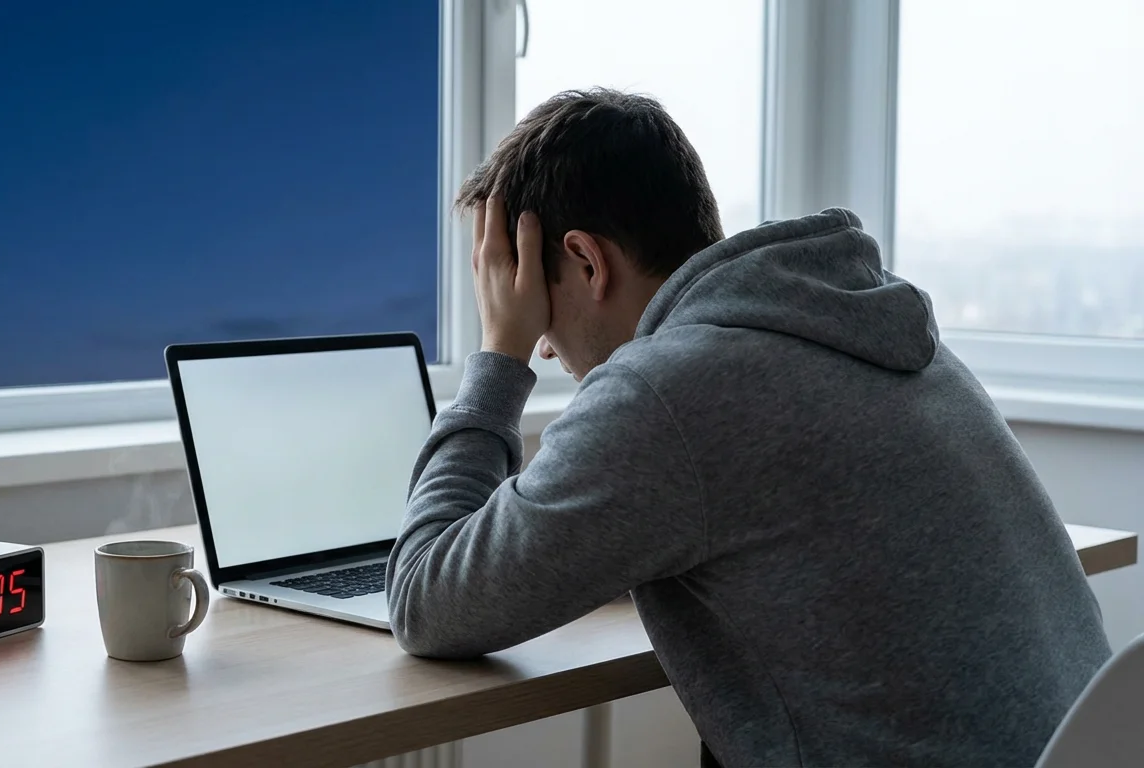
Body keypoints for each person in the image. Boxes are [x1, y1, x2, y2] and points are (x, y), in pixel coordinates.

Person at [383, 88, 1111, 767]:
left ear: (584, 259)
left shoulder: (663, 390)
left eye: (530, 299)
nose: (543, 342)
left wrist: (498, 358)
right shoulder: (869, 324)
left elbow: (425, 601)